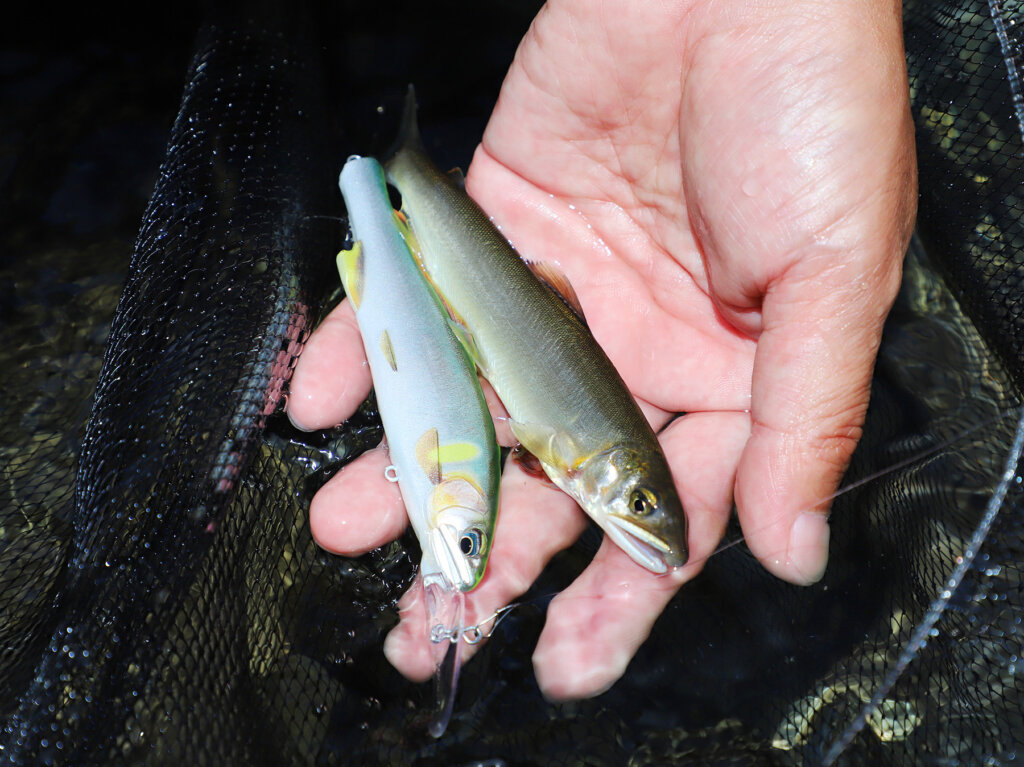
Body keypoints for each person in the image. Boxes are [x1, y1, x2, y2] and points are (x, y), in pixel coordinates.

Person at [287, 0, 916, 700]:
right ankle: (393, 143)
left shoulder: (581, 458)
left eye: (643, 504)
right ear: (618, 467)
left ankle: (382, 129)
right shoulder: (579, 453)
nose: (642, 517)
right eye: (642, 502)